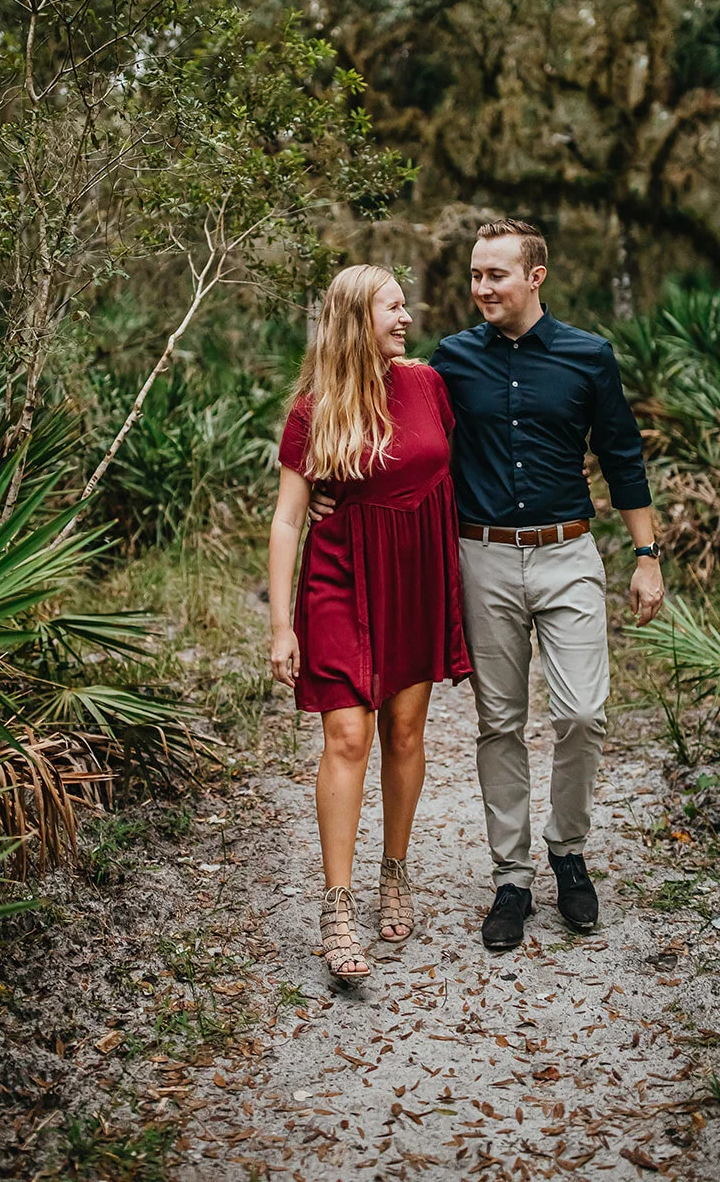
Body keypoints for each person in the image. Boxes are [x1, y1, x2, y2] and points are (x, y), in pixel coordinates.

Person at [311, 221, 664, 951]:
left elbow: (622, 454)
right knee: (499, 722)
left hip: (567, 551)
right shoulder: (450, 361)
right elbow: (388, 431)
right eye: (474, 275)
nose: (480, 288)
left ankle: (567, 851)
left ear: (535, 276)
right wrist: (329, 493)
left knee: (582, 714)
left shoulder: (588, 356)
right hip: (483, 557)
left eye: (494, 275)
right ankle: (512, 876)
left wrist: (646, 555)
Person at [268, 264, 472, 982]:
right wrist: (281, 627)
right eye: (393, 306)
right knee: (348, 735)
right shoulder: (312, 409)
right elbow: (288, 519)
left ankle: (395, 870)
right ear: (357, 318)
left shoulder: (427, 384)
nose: (406, 317)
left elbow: (444, 469)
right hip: (341, 575)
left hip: (414, 576)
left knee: (405, 733)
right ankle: (336, 907)